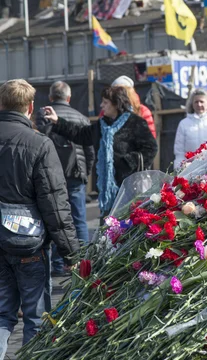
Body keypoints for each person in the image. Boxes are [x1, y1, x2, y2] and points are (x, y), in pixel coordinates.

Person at [0, 80, 80, 360]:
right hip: (27, 241)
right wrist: (70, 252)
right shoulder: (39, 143)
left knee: (2, 313)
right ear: (31, 107)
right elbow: (55, 204)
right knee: (35, 314)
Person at [43, 86, 158, 216]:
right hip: (107, 191)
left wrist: (127, 163)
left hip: (130, 187)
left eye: (105, 102)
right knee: (109, 227)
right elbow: (80, 134)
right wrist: (57, 121)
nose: (101, 105)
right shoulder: (102, 124)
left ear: (116, 104)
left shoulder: (136, 123)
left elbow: (151, 148)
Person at [35, 81, 95, 278]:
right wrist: (86, 172)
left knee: (53, 218)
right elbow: (89, 150)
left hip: (50, 176)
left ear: (51, 98)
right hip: (75, 174)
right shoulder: (81, 118)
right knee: (78, 219)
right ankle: (83, 262)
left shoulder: (43, 118)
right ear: (68, 98)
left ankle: (58, 264)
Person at [173, 89, 207, 168]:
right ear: (192, 104)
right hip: (191, 168)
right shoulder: (184, 123)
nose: (199, 104)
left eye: (202, 101)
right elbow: (179, 151)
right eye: (196, 102)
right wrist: (179, 169)